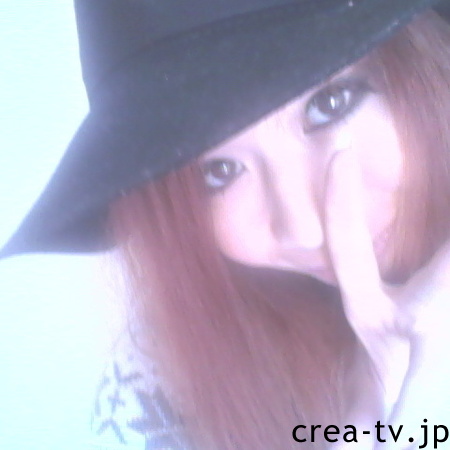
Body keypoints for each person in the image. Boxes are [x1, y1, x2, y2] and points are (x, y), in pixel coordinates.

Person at [2, 1, 450, 449]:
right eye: (218, 172)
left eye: (329, 105)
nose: (303, 231)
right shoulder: (169, 384)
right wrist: (377, 430)